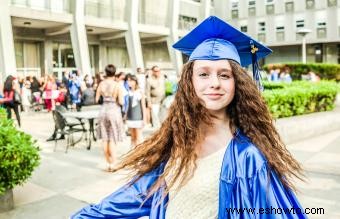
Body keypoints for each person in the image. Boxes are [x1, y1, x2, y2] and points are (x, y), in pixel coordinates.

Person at [72, 16, 306, 218]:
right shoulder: (179, 141)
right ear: (189, 83)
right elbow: (138, 193)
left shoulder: (248, 158)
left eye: (224, 75)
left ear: (237, 84)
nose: (214, 83)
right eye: (203, 74)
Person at [95, 64, 125, 171]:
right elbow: (121, 101)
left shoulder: (101, 84)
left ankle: (108, 163)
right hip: (113, 111)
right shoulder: (117, 85)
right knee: (112, 138)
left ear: (106, 72)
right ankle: (113, 164)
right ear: (115, 72)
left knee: (104, 138)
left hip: (103, 110)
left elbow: (96, 99)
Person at [125, 74, 147, 147]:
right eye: (128, 81)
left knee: (138, 137)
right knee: (132, 137)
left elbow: (143, 106)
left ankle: (140, 153)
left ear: (135, 81)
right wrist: (125, 116)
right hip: (130, 117)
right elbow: (127, 106)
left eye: (131, 81)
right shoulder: (128, 92)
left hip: (138, 117)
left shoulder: (140, 92)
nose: (129, 82)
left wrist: (144, 118)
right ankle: (132, 153)